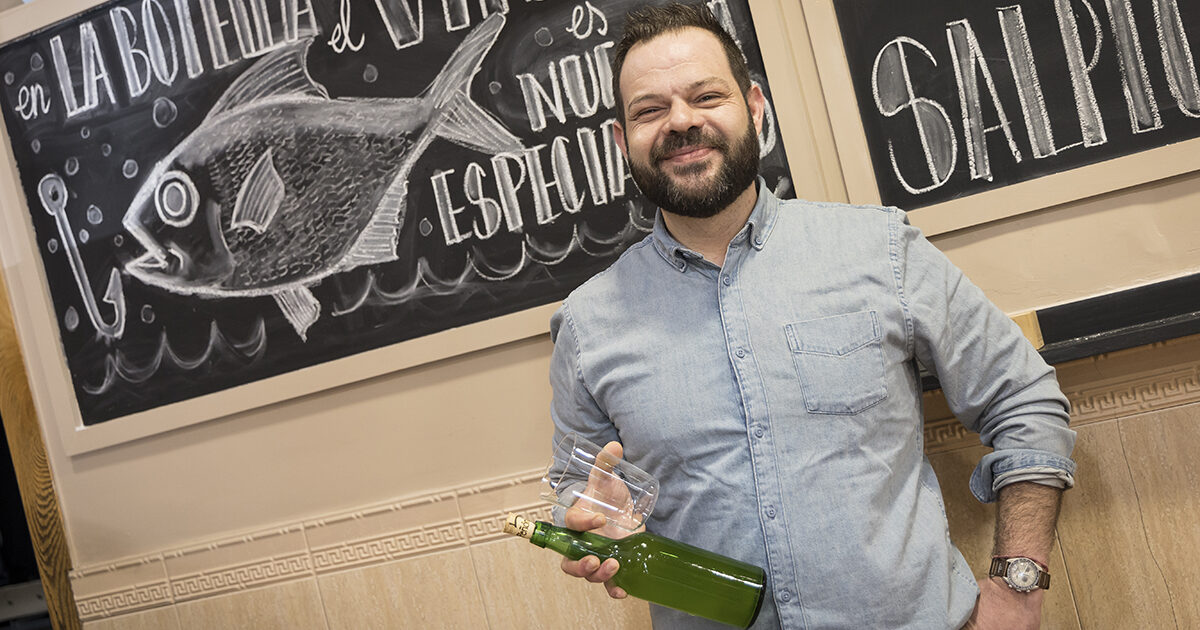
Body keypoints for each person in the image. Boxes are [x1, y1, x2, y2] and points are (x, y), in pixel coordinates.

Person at [547, 3, 1076, 629]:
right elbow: (577, 489)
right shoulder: (588, 324)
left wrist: (1019, 586)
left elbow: (1025, 401)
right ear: (622, 141)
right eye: (649, 110)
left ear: (754, 108)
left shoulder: (879, 250)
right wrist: (588, 523)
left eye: (706, 96)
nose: (681, 122)